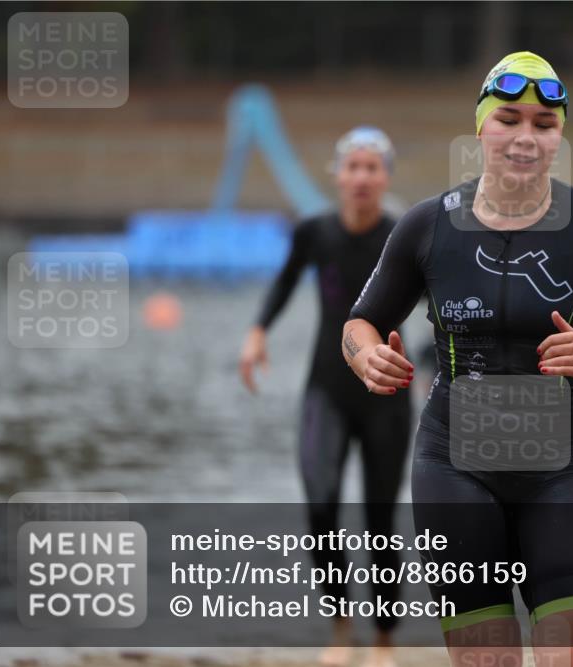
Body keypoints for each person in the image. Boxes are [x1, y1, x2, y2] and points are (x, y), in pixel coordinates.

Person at [342, 52, 573, 667]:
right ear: (480, 130)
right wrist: (366, 358)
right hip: (454, 466)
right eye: (510, 119)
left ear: (560, 136)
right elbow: (361, 322)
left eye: (544, 124)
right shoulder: (426, 227)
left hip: (560, 466)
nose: (526, 136)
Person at [239, 127, 410, 667]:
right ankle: (341, 629)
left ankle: (383, 640)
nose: (361, 177)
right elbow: (285, 282)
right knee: (319, 506)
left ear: (385, 177)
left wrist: (438, 363)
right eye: (352, 167)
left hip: (386, 393)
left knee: (380, 520)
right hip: (326, 389)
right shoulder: (313, 231)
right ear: (337, 176)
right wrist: (258, 330)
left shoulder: (402, 235)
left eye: (372, 167)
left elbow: (443, 299)